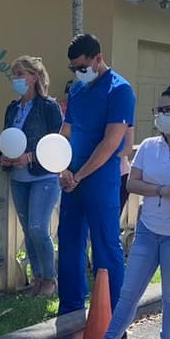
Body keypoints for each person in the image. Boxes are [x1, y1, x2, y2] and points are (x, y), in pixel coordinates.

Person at [73, 86, 170, 339]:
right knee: (129, 291)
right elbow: (132, 183)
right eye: (159, 110)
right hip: (149, 227)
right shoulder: (149, 146)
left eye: (169, 109)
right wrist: (162, 190)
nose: (163, 115)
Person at [57, 33, 135, 315]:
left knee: (105, 245)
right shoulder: (77, 90)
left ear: (98, 58)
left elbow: (112, 143)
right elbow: (65, 133)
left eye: (82, 66)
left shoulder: (120, 89)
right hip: (72, 178)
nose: (79, 72)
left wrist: (80, 175)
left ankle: (114, 316)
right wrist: (62, 167)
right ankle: (71, 309)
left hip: (101, 178)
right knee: (69, 241)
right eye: (73, 68)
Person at [1, 56, 63, 297]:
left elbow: (57, 143)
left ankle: (49, 278)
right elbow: (6, 138)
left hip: (43, 176)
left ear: (34, 77)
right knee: (28, 230)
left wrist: (31, 157)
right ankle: (37, 279)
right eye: (14, 75)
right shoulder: (12, 108)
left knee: (38, 228)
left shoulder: (48, 107)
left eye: (20, 74)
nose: (16, 79)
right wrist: (4, 157)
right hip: (18, 177)